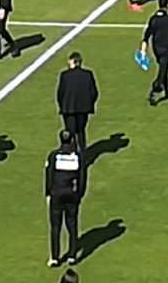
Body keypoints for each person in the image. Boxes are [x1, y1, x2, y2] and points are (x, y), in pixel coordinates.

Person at [45, 128, 88, 267]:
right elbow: (82, 177)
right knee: (72, 224)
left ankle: (55, 257)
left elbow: (49, 176)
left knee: (55, 226)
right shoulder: (78, 157)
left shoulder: (54, 156)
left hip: (56, 194)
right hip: (72, 194)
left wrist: (48, 193)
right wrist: (80, 193)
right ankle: (72, 255)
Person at [56, 51, 99, 149]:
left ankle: (72, 152)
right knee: (81, 131)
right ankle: (82, 154)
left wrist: (62, 106)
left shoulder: (65, 75)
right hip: (83, 109)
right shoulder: (88, 74)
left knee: (70, 133)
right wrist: (89, 104)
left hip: (68, 109)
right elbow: (94, 92)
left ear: (73, 62)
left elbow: (60, 93)